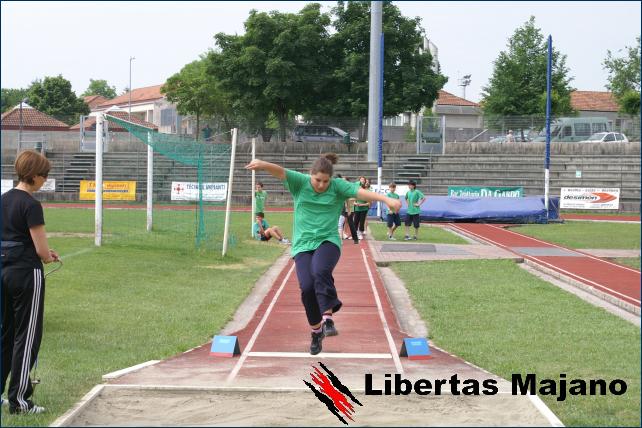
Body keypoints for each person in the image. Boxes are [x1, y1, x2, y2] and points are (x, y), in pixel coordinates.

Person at [245, 153, 401, 355]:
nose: (321, 185)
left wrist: (386, 199)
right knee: (307, 287)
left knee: (319, 270)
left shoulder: (337, 186)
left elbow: (361, 192)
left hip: (328, 241)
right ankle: (316, 332)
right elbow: (281, 172)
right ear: (311, 175)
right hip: (302, 244)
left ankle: (328, 319)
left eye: (325, 181)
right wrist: (263, 164)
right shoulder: (300, 182)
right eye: (317, 180)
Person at [2, 150, 59, 415]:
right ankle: (20, 402)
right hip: (26, 274)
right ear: (34, 175)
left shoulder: (3, 200)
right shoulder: (31, 205)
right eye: (44, 175)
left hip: (3, 270)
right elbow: (41, 250)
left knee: (6, 334)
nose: (45, 180)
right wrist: (48, 256)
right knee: (27, 337)